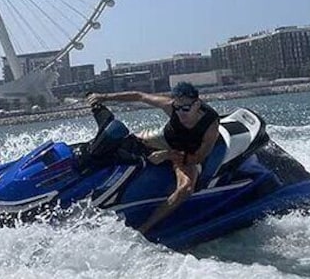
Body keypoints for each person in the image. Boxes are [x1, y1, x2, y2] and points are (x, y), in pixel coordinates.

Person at [86, 82, 220, 236]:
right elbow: (139, 96)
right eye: (177, 108)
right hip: (165, 139)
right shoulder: (170, 106)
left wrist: (167, 155)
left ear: (197, 104)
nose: (181, 113)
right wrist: (103, 97)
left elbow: (197, 158)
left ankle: (145, 228)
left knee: (186, 189)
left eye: (186, 108)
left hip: (187, 152)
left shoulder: (210, 125)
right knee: (122, 142)